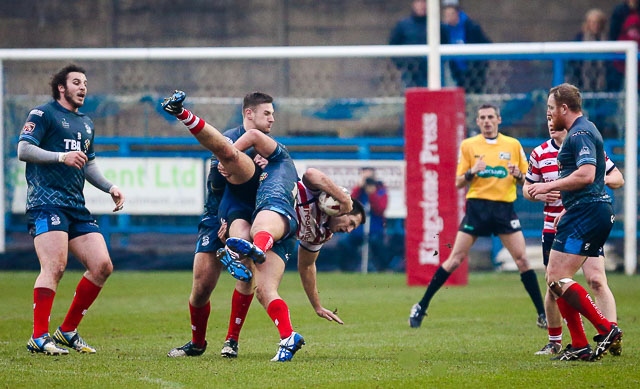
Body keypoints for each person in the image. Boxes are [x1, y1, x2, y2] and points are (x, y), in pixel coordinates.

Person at [161, 90, 309, 362]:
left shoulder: (270, 149)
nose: (272, 119)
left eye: (273, 114)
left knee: (247, 274)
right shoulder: (229, 140)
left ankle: (232, 340)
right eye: (267, 113)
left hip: (251, 217)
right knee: (201, 288)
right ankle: (197, 342)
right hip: (219, 215)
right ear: (249, 114)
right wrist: (221, 221)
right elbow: (219, 179)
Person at [17, 64, 126, 355]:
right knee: (54, 266)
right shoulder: (43, 114)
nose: (83, 87)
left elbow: (87, 163)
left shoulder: (87, 123)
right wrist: (60, 156)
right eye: (76, 82)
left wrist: (109, 187)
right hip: (46, 201)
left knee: (102, 266)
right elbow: (23, 150)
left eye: (86, 83)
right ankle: (39, 337)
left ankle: (67, 331)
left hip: (76, 206)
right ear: (61, 88)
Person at [408, 103, 546, 329]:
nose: (487, 121)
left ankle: (542, 314)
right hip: (477, 209)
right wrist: (474, 170)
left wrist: (518, 174)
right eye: (482, 117)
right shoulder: (469, 146)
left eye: (491, 117)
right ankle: (421, 307)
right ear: (478, 121)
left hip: (503, 209)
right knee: (455, 259)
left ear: (499, 119)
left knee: (522, 260)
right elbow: (458, 181)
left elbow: (528, 181)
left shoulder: (512, 145)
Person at [219, 167, 366, 358]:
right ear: (341, 208)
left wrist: (317, 306)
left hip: (282, 241)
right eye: (351, 223)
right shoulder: (315, 194)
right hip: (267, 210)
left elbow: (306, 266)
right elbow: (312, 174)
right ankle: (231, 338)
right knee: (244, 271)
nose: (348, 230)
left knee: (264, 290)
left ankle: (288, 338)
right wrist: (345, 199)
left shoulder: (321, 234)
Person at [527, 83, 623, 361]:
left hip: (589, 212)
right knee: (557, 279)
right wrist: (568, 208)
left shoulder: (579, 133)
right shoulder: (585, 129)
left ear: (564, 109)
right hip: (584, 210)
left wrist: (549, 186)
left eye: (550, 108)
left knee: (558, 278)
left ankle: (606, 329)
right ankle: (580, 344)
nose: (548, 113)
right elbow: (589, 182)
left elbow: (586, 174)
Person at [389, 0, 450, 88]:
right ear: (413, 4)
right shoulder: (403, 26)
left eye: (424, 2)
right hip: (410, 72)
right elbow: (393, 46)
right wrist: (403, 64)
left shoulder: (438, 25)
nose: (421, 6)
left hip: (433, 71)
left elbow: (445, 44)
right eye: (419, 2)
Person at [441, 0, 492, 94]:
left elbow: (486, 43)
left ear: (457, 14)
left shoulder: (471, 27)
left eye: (451, 14)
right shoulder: (444, 30)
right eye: (446, 15)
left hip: (475, 71)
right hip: (456, 71)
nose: (448, 17)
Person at [349, 167, 389, 271]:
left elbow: (380, 209)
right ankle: (348, 268)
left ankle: (382, 268)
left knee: (377, 243)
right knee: (345, 243)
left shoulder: (380, 189)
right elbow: (350, 204)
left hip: (375, 228)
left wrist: (372, 194)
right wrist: (358, 187)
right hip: (358, 228)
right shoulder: (358, 190)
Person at [567, 9, 608, 92]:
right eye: (592, 22)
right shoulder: (580, 38)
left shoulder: (606, 39)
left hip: (601, 77)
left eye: (598, 23)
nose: (595, 25)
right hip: (583, 78)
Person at [608, 0, 640, 90]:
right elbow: (614, 32)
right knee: (622, 84)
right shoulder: (619, 10)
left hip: (638, 54)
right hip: (621, 56)